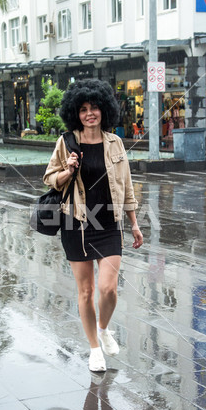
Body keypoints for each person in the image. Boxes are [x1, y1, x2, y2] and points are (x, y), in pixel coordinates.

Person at [43, 79, 143, 372]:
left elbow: (126, 186)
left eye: (95, 107)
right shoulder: (67, 142)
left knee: (108, 288)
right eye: (84, 109)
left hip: (109, 221)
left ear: (104, 110)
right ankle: (94, 348)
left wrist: (134, 224)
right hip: (77, 223)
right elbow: (50, 178)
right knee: (86, 292)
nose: (90, 114)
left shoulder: (116, 142)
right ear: (76, 112)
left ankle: (103, 328)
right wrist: (68, 168)